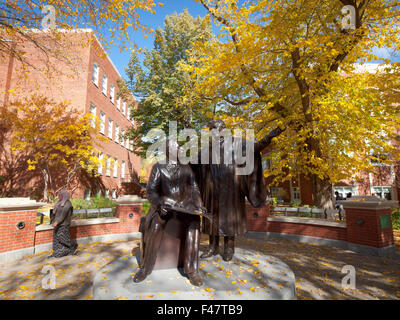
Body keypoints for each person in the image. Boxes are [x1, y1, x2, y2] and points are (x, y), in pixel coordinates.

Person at [194, 120, 283, 261]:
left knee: (230, 219)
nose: (215, 132)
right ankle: (213, 247)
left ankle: (229, 248)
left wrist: (270, 136)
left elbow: (256, 147)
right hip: (212, 191)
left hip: (231, 190)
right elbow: (193, 164)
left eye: (217, 129)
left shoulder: (237, 144)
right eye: (212, 130)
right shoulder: (206, 149)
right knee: (212, 219)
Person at [133, 140, 206, 286]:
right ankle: (145, 268)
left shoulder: (186, 167)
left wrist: (199, 205)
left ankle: (192, 271)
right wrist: (159, 204)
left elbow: (194, 189)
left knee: (194, 224)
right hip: (164, 207)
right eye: (177, 148)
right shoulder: (158, 167)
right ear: (168, 150)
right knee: (154, 225)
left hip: (183, 208)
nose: (180, 150)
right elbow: (151, 191)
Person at [49, 189, 78, 258]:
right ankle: (57, 253)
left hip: (64, 224)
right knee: (56, 239)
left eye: (59, 195)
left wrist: (57, 221)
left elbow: (63, 214)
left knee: (63, 238)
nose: (58, 196)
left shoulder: (67, 203)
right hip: (57, 224)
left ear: (63, 195)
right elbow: (55, 212)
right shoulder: (59, 202)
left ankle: (73, 247)